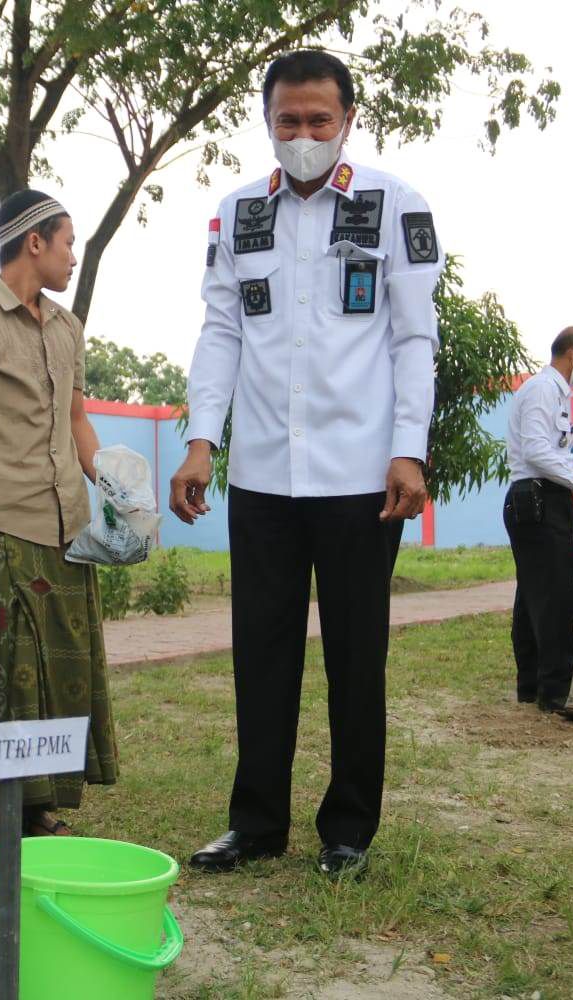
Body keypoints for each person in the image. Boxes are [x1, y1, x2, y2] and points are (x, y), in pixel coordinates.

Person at [170, 50, 444, 878]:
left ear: (346, 121)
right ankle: (255, 823)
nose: (302, 135)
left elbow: (413, 337)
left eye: (317, 120)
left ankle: (348, 829)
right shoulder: (235, 213)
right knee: (261, 652)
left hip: (363, 476)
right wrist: (199, 440)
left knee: (355, 657)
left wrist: (407, 447)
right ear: (267, 122)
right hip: (261, 477)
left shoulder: (393, 204)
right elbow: (220, 330)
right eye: (286, 120)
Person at [0, 189, 119, 848]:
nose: (72, 256)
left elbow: (76, 421)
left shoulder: (67, 327)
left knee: (60, 671)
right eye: (67, 241)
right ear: (33, 242)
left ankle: (41, 803)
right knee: (2, 669)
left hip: (66, 525)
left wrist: (113, 486)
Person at [502, 329, 573, 719]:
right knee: (555, 597)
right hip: (536, 501)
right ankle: (553, 695)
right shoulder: (544, 389)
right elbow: (536, 451)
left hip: (543, 500)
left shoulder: (556, 393)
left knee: (533, 596)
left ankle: (532, 687)